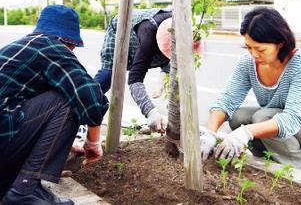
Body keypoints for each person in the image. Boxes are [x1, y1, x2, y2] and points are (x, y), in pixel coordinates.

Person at [0, 5, 109, 204]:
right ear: (69, 40)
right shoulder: (51, 47)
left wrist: (59, 141)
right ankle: (25, 188)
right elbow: (90, 96)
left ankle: (4, 184)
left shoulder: (23, 46)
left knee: (21, 107)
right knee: (66, 98)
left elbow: (30, 115)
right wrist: (92, 143)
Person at [200, 7, 301, 174]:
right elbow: (227, 100)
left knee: (261, 118)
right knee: (237, 117)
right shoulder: (247, 63)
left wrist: (245, 132)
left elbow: (291, 119)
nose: (253, 54)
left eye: (260, 49)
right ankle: (269, 159)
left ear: (280, 43)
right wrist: (211, 133)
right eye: (249, 47)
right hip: (281, 118)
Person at [72, 8, 203, 151]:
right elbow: (134, 80)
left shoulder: (185, 28)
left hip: (156, 37)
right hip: (121, 30)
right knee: (108, 76)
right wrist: (150, 111)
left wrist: (163, 79)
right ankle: (79, 116)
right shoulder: (148, 34)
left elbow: (176, 65)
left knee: (174, 73)